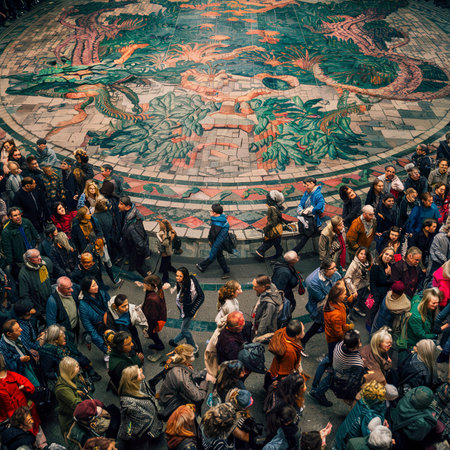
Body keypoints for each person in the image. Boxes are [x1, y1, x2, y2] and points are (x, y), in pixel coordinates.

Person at [158, 344, 211, 421]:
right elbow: (198, 397)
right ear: (184, 359)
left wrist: (203, 372)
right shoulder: (181, 376)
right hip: (174, 402)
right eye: (192, 356)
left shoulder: (176, 364)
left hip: (166, 395)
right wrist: (205, 381)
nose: (194, 356)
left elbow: (190, 377)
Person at [117, 365, 163, 449]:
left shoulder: (140, 382)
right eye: (140, 374)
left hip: (152, 418)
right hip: (145, 431)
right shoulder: (129, 404)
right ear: (133, 381)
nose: (143, 375)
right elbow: (144, 422)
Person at [301, 259, 341, 353]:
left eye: (335, 267)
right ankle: (303, 341)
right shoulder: (312, 282)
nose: (335, 270)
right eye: (333, 268)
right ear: (325, 270)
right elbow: (321, 298)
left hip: (334, 302)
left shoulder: (334, 274)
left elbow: (339, 281)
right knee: (318, 323)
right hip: (322, 305)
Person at [333, 381, 387, 450]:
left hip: (345, 431)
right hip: (350, 436)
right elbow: (369, 437)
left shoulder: (364, 400)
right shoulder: (371, 414)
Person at [0, 353, 41, 437]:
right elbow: (31, 388)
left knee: (25, 435)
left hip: (14, 418)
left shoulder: (12, 376)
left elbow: (30, 388)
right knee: (34, 433)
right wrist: (23, 388)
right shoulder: (13, 376)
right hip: (23, 414)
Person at [55, 356, 93, 437]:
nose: (78, 367)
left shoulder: (69, 378)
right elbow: (76, 404)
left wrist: (77, 392)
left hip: (75, 416)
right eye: (76, 366)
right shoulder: (62, 389)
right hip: (70, 422)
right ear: (69, 370)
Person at [169, 267, 204, 353]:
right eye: (177, 275)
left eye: (180, 276)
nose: (177, 278)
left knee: (184, 330)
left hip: (188, 311)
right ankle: (175, 341)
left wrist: (192, 311)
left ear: (185, 277)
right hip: (184, 310)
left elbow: (201, 296)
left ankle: (193, 347)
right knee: (184, 328)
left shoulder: (190, 286)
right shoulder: (182, 282)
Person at [264, 372, 306, 442]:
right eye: (303, 386)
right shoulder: (286, 405)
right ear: (295, 389)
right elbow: (293, 420)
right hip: (278, 430)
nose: (305, 387)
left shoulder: (280, 389)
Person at [0, 319, 40, 385]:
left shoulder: (17, 336)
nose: (21, 329)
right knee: (34, 386)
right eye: (17, 329)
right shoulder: (3, 347)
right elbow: (9, 365)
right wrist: (19, 360)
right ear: (9, 334)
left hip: (27, 364)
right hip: (20, 371)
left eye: (19, 327)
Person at [118, 196, 151, 276]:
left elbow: (140, 244)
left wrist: (139, 256)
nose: (118, 205)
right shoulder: (129, 215)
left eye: (121, 204)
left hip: (134, 250)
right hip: (131, 246)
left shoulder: (132, 227)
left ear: (128, 207)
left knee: (139, 266)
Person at [1, 207, 38, 277]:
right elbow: (7, 250)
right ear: (10, 217)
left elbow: (35, 236)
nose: (18, 217)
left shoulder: (26, 222)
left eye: (19, 214)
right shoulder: (6, 232)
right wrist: (12, 263)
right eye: (15, 215)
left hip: (32, 255)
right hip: (20, 261)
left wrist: (35, 248)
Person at [196, 203, 231, 278]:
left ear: (215, 213)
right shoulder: (221, 218)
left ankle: (202, 265)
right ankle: (225, 270)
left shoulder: (217, 224)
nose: (210, 212)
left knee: (213, 255)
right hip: (220, 241)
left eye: (211, 211)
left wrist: (210, 241)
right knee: (219, 255)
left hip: (218, 242)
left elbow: (213, 234)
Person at [293, 178, 325, 254]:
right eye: (305, 186)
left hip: (314, 220)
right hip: (306, 218)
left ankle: (294, 251)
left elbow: (320, 206)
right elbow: (301, 203)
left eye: (307, 185)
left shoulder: (318, 195)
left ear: (312, 183)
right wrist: (300, 210)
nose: (306, 187)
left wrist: (310, 210)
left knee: (305, 236)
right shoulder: (306, 193)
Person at [267, 319, 304, 386]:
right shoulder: (290, 351)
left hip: (274, 369)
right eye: (303, 331)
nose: (304, 332)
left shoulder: (284, 332)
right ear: (297, 335)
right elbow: (284, 373)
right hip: (279, 377)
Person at [79, 277, 110, 355]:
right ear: (87, 288)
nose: (96, 287)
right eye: (93, 286)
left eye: (96, 284)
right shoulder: (83, 305)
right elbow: (88, 326)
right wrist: (104, 347)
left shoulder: (102, 293)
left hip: (109, 321)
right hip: (99, 328)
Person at [18, 249, 52, 317]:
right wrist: (36, 311)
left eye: (39, 255)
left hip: (50, 302)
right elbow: (24, 295)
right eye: (36, 257)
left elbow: (49, 279)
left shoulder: (43, 265)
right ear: (29, 259)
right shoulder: (23, 274)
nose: (40, 258)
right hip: (39, 308)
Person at [255, 190, 285, 260]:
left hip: (274, 230)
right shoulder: (276, 207)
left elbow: (273, 221)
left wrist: (266, 229)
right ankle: (279, 254)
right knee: (277, 242)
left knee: (269, 242)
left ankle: (260, 253)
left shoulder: (271, 208)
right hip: (278, 229)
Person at [140, 274, 167, 353]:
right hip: (161, 316)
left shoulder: (152, 299)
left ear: (149, 285)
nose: (143, 285)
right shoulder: (158, 290)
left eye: (144, 284)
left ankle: (159, 345)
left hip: (155, 321)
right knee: (153, 333)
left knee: (152, 333)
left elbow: (152, 316)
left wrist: (149, 328)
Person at [369, 247, 394, 326]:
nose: (388, 257)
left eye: (390, 256)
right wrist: (375, 295)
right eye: (386, 254)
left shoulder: (389, 266)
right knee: (373, 312)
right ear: (382, 254)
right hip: (377, 293)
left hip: (384, 293)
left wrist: (389, 275)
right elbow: (373, 282)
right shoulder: (376, 265)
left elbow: (390, 282)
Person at [345, 246, 372, 317]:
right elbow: (347, 278)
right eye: (361, 253)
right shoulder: (354, 264)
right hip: (356, 287)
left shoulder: (367, 263)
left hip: (364, 285)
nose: (363, 256)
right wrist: (353, 290)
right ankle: (349, 315)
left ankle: (358, 308)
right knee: (352, 303)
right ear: (358, 254)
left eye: (365, 254)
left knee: (363, 299)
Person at [156, 219, 177, 283]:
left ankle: (165, 279)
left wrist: (162, 238)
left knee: (165, 263)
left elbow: (166, 243)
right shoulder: (168, 231)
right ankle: (167, 268)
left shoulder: (169, 232)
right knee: (166, 261)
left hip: (166, 250)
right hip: (166, 250)